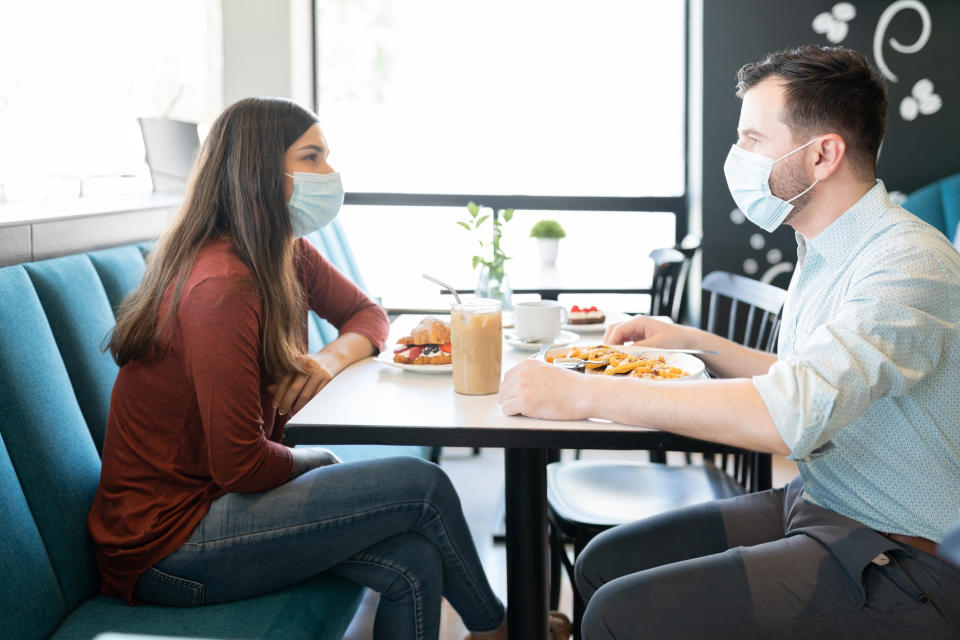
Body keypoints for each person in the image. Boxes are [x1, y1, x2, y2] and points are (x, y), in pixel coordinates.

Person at [498, 45, 960, 637]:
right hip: (821, 501)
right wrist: (690, 342)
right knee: (601, 564)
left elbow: (787, 412)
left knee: (619, 615)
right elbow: (800, 375)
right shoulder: (826, 246)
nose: (736, 158)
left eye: (752, 140)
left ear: (823, 154)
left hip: (904, 556)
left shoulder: (907, 265)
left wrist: (582, 394)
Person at [88, 97, 507, 640]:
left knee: (414, 559)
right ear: (261, 171)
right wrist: (322, 460)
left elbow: (367, 314)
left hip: (220, 506)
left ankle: (496, 627)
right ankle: (500, 629)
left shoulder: (281, 251)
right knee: (422, 486)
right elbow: (240, 466)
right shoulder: (222, 287)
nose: (330, 173)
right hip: (169, 548)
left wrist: (328, 359)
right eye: (313, 157)